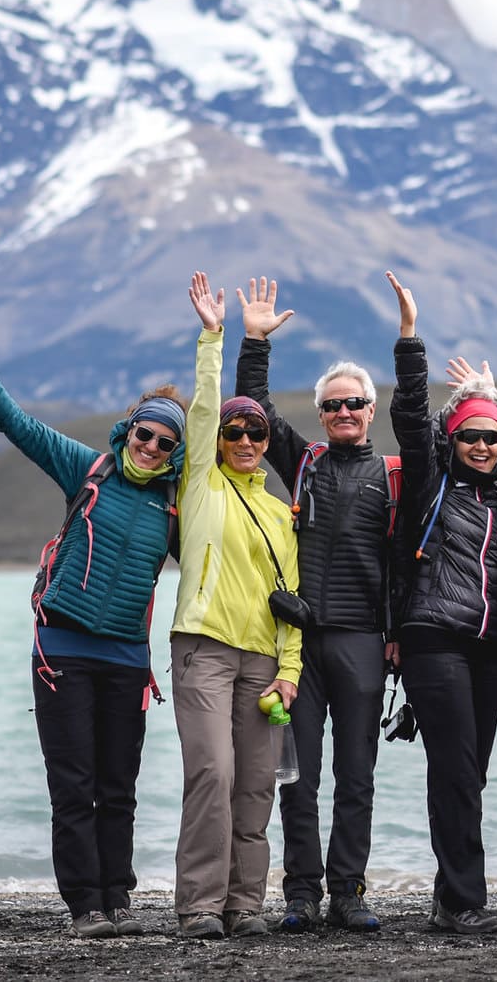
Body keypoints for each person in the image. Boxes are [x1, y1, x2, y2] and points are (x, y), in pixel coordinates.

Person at [0, 302, 184, 941]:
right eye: (144, 435)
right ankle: (85, 908)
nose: (151, 448)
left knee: (118, 788)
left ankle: (118, 900)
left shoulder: (175, 507)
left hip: (127, 658)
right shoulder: (86, 469)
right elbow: (16, 423)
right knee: (74, 785)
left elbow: (227, 560)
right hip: (62, 651)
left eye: (165, 442)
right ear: (127, 432)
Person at [233, 275, 398, 933]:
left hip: (362, 643)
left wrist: (395, 637)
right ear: (322, 415)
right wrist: (255, 341)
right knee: (295, 778)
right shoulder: (302, 462)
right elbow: (255, 410)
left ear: (371, 409)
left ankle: (349, 891)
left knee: (355, 778)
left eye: (355, 402)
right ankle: (300, 893)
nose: (345, 412)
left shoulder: (392, 476)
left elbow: (403, 568)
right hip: (295, 646)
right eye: (333, 405)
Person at [169, 271, 305, 940]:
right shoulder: (201, 488)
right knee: (211, 776)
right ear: (218, 443)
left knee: (255, 787)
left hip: (264, 663)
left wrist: (291, 670)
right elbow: (200, 410)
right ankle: (198, 905)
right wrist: (213, 336)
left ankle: (244, 905)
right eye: (235, 432)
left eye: (256, 433)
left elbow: (294, 604)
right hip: (202, 650)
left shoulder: (283, 513)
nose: (248, 441)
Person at [384, 272, 497, 935]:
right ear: (455, 440)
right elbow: (411, 416)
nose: (485, 447)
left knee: (471, 773)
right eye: (473, 437)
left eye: (494, 438)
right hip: (434, 636)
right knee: (457, 770)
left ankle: (448, 894)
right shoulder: (432, 485)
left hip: (492, 647)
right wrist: (411, 337)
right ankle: (465, 903)